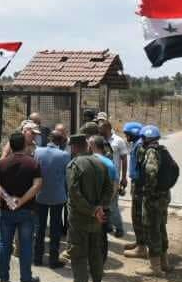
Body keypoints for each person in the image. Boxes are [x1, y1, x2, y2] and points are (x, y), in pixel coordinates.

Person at [0, 133, 42, 282]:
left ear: (10, 146)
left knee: (4, 244)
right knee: (26, 246)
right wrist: (22, 201)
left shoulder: (1, 164)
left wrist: (8, 198)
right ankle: (26, 277)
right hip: (27, 211)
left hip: (7, 211)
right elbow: (38, 185)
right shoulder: (33, 163)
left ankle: (3, 277)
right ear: (25, 145)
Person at [66, 134, 113, 282]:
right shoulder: (101, 164)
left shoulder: (74, 165)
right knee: (95, 253)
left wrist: (93, 210)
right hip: (96, 220)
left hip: (79, 220)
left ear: (73, 147)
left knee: (78, 255)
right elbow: (109, 189)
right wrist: (99, 207)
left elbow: (74, 194)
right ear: (86, 146)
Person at [136, 125, 172, 277]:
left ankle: (155, 268)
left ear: (145, 138)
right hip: (164, 196)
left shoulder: (151, 152)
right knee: (161, 227)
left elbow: (151, 172)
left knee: (152, 230)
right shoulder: (162, 150)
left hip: (154, 199)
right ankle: (164, 262)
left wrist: (148, 191)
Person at [34, 129, 71, 268]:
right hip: (57, 196)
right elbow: (67, 177)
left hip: (40, 195)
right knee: (55, 229)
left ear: (49, 138)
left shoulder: (38, 152)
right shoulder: (64, 155)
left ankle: (37, 258)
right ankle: (53, 260)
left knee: (40, 228)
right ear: (61, 141)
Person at [122, 122, 149, 259]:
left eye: (127, 134)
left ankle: (141, 248)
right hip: (138, 184)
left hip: (140, 185)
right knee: (137, 215)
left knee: (137, 216)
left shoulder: (139, 145)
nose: (126, 137)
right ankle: (140, 242)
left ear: (134, 132)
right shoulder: (138, 143)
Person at [89, 135, 118, 263]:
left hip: (91, 207)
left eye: (89, 144)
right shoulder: (110, 163)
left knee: (90, 235)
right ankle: (101, 261)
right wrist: (106, 203)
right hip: (104, 206)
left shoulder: (88, 161)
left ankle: (91, 262)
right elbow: (115, 185)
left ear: (93, 146)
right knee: (102, 235)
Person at [98, 120, 129, 237]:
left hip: (113, 178)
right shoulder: (99, 140)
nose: (99, 130)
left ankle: (119, 228)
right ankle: (109, 226)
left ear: (107, 128)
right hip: (101, 178)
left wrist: (124, 177)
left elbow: (124, 159)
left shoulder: (118, 141)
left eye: (101, 128)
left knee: (112, 205)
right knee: (104, 204)